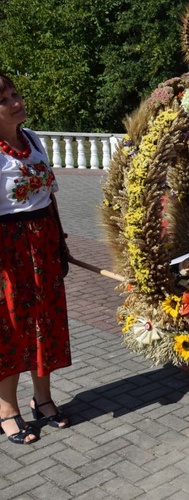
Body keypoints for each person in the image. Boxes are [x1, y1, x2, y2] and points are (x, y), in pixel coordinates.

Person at [0, 73, 71, 445]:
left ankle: (42, 398)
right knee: (12, 328)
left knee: (46, 322)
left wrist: (60, 242)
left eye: (16, 93)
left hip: (42, 242)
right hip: (8, 249)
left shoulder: (33, 140)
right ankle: (6, 409)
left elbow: (49, 195)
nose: (15, 101)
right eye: (5, 100)